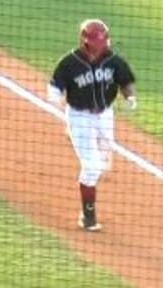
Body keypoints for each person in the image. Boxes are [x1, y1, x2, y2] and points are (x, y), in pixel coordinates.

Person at [47, 19, 138, 232]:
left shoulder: (113, 60)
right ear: (86, 41)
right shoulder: (69, 63)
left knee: (105, 164)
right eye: (99, 40)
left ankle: (78, 140)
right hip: (80, 116)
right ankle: (88, 217)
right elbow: (54, 87)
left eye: (105, 39)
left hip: (104, 115)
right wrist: (57, 98)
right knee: (91, 166)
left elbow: (125, 81)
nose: (104, 43)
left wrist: (130, 98)